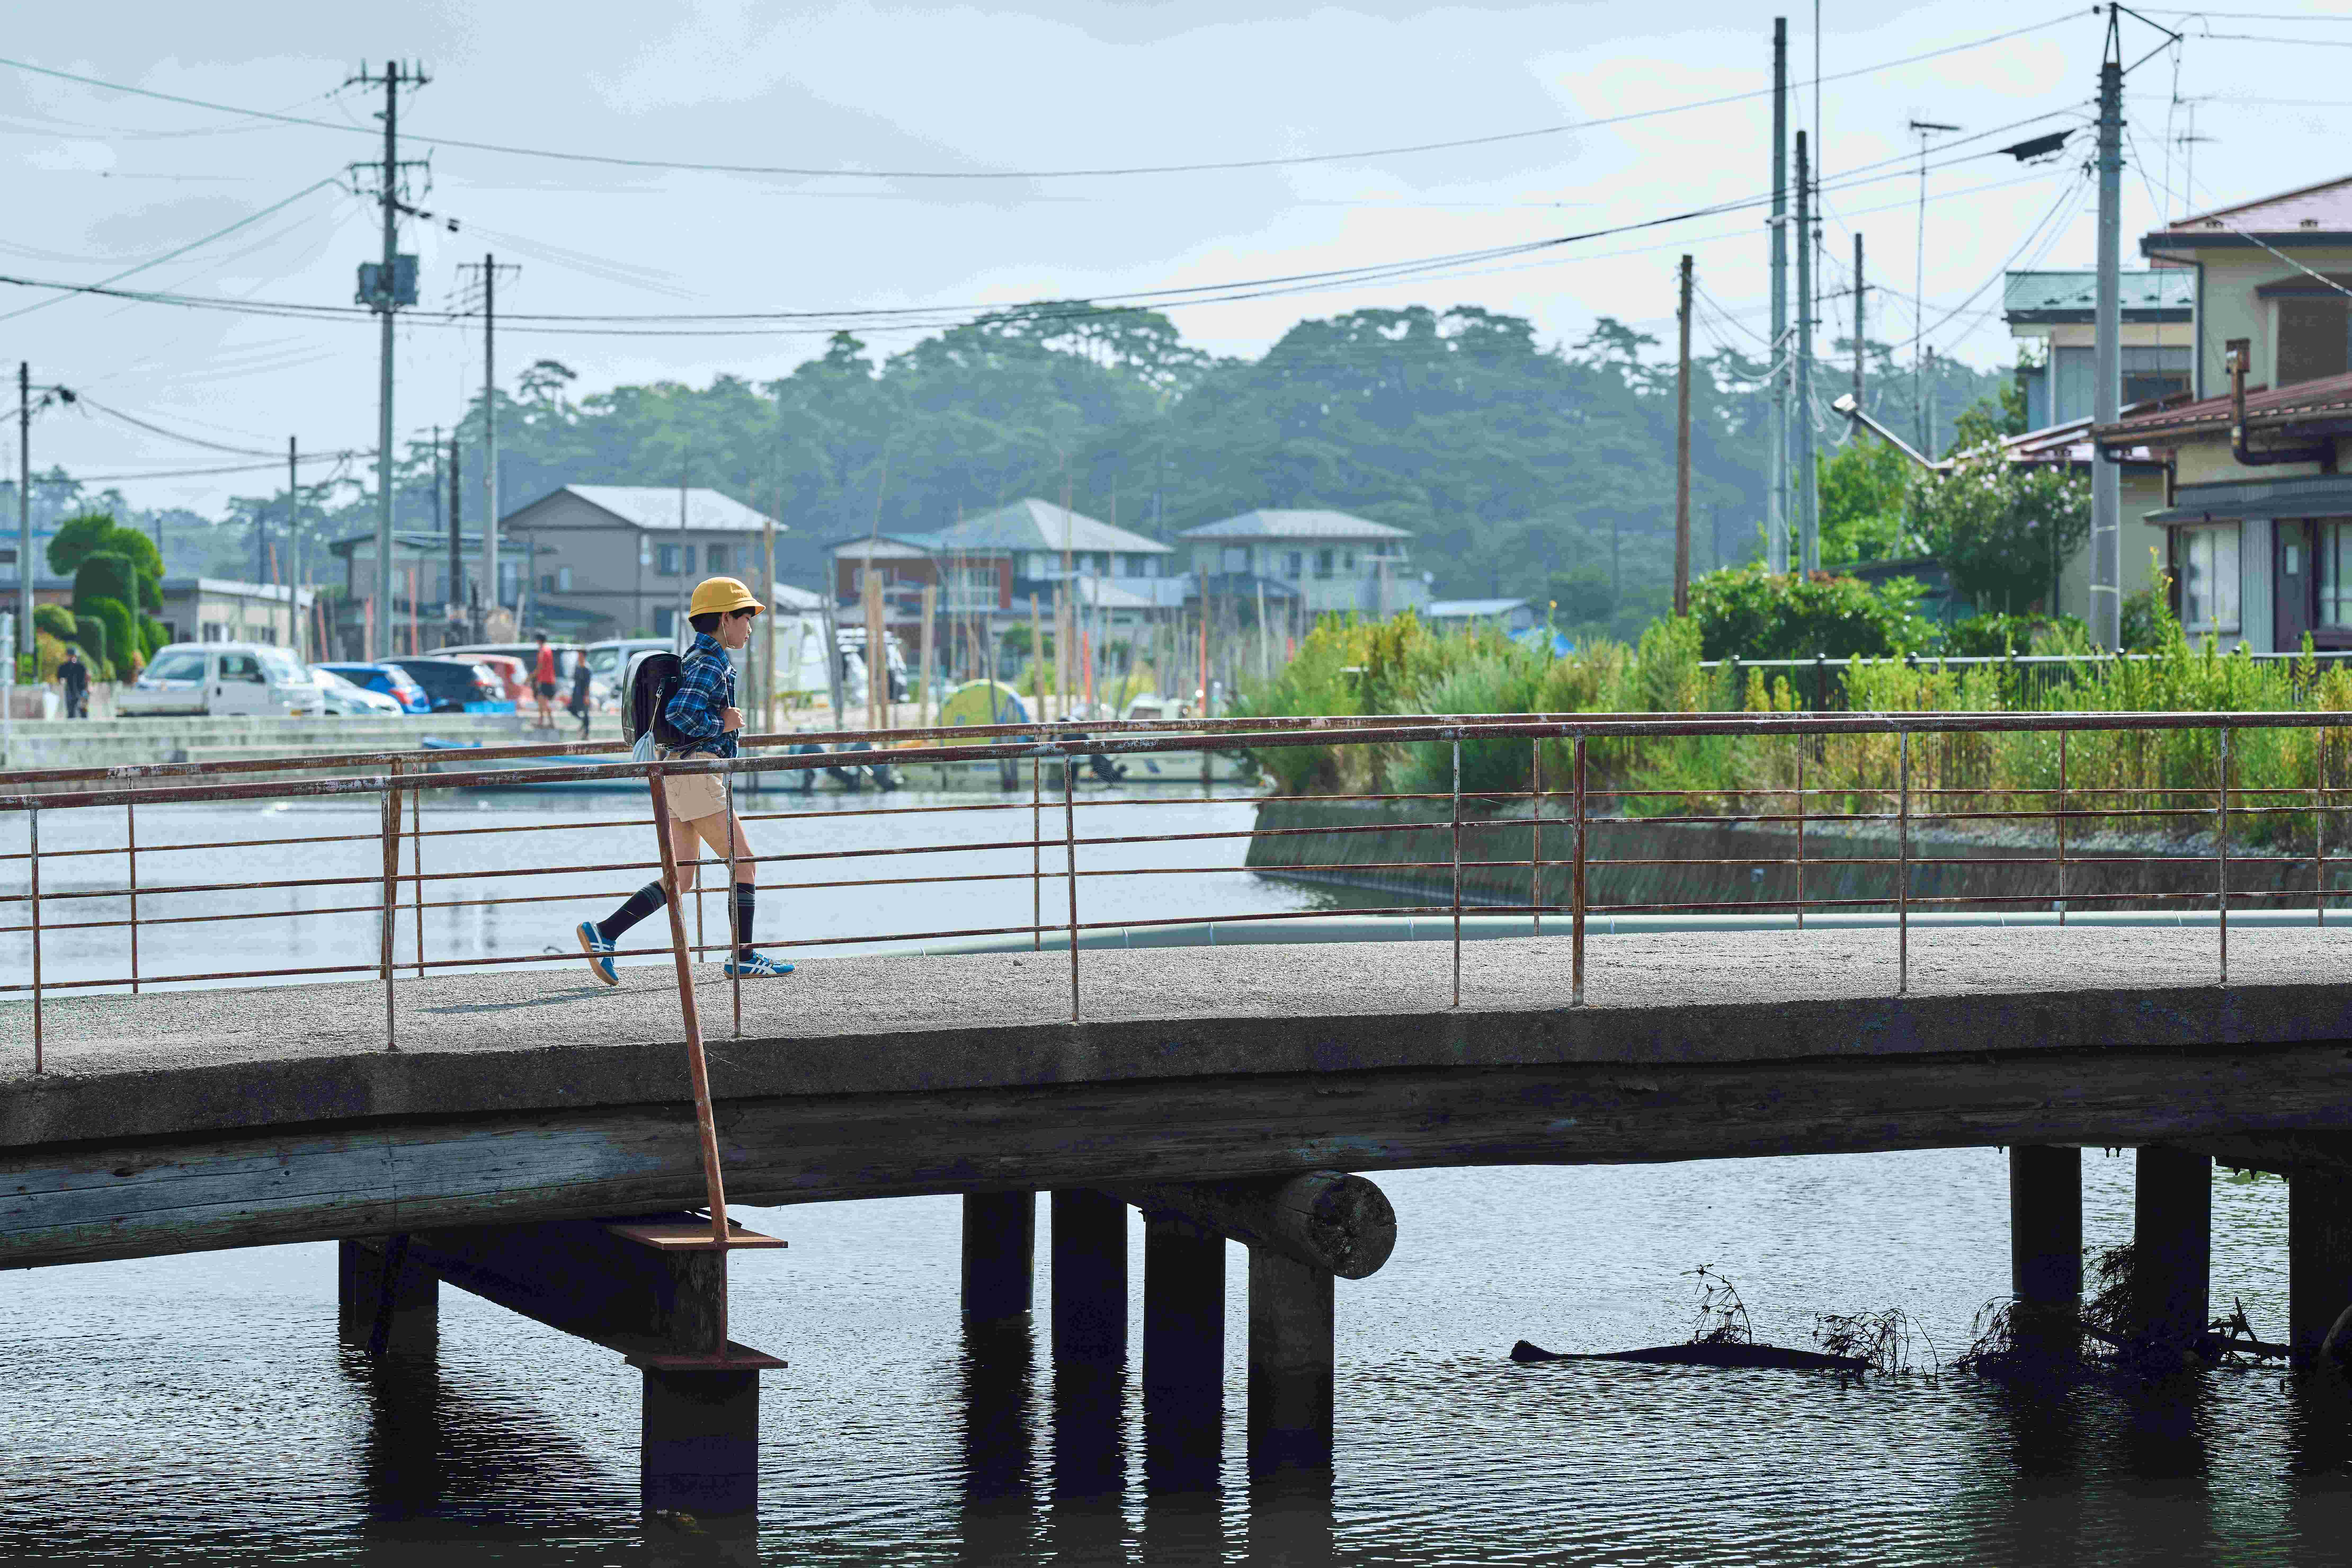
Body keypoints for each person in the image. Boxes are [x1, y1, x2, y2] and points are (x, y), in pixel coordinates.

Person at [576, 577, 793, 982]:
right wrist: (723, 722)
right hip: (695, 775)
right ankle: (743, 955)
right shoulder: (711, 663)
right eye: (747, 619)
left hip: (678, 774)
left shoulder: (696, 658)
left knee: (683, 878)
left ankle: (605, 932)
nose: (749, 628)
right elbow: (681, 714)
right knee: (744, 862)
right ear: (726, 619)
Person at [531, 632, 559, 729]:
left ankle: (543, 722)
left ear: (539, 641)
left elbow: (540, 667)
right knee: (543, 701)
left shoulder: (543, 650)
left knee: (542, 701)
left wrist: (531, 677)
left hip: (545, 680)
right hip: (549, 680)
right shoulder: (548, 649)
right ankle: (548, 722)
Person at [57, 646, 88, 719]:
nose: (73, 658)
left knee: (83, 710)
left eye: (74, 656)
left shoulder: (81, 666)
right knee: (71, 710)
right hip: (70, 690)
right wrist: (62, 680)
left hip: (82, 690)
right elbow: (60, 676)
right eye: (71, 656)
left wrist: (88, 688)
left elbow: (87, 678)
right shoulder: (64, 666)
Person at [567, 652, 593, 740]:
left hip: (584, 694)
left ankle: (586, 733)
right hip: (577, 693)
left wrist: (587, 696)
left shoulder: (587, 669)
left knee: (586, 713)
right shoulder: (577, 668)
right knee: (571, 709)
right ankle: (583, 723)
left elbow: (588, 685)